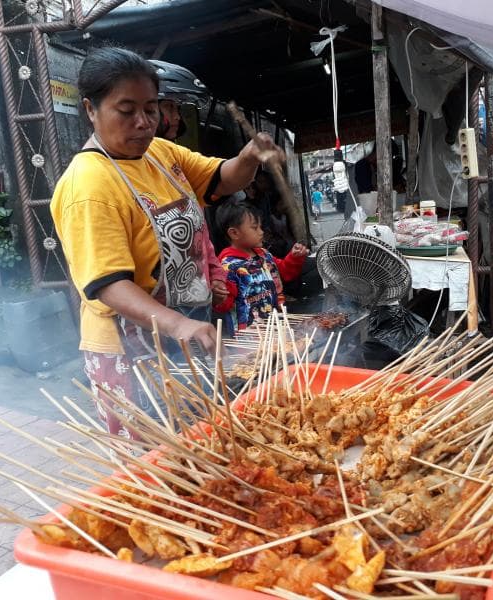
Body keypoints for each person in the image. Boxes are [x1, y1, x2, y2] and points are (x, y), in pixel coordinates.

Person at [51, 47, 285, 438]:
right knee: (158, 464)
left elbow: (220, 180)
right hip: (131, 348)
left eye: (151, 108)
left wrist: (249, 156)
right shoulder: (88, 183)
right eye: (126, 111)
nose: (143, 123)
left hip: (183, 333)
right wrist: (178, 324)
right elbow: (107, 284)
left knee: (203, 444)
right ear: (91, 110)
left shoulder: (159, 154)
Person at [151, 59, 230, 322]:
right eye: (170, 108)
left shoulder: (171, 155)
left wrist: (214, 276)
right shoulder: (102, 172)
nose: (177, 118)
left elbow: (199, 236)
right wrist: (177, 325)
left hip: (191, 314)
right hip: (150, 326)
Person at [214, 199, 308, 331]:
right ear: (234, 233)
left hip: (277, 327)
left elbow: (285, 273)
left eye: (260, 226)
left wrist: (294, 257)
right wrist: (217, 295)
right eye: (254, 228)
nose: (261, 232)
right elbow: (223, 305)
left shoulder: (264, 255)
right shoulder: (228, 267)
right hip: (249, 337)